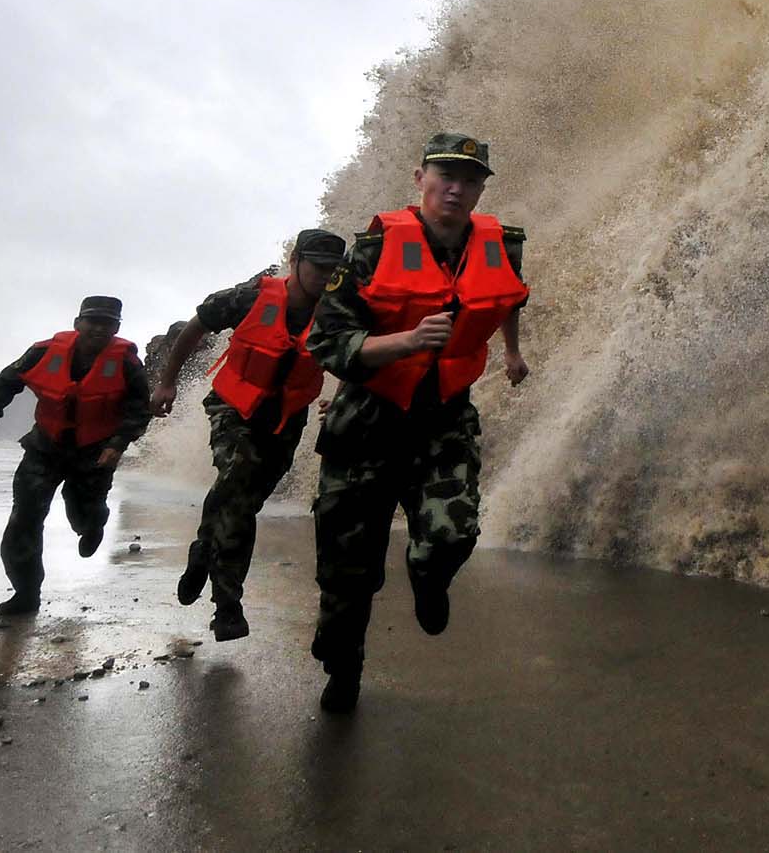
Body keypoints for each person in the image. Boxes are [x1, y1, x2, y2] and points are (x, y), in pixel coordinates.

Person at [306, 132, 529, 714]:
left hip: (444, 417)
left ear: (481, 188)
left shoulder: (502, 244)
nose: (456, 188)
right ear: (420, 178)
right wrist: (404, 341)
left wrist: (512, 351)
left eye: (470, 179)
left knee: (453, 534)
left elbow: (504, 303)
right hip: (367, 420)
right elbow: (326, 341)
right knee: (347, 574)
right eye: (444, 175)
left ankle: (429, 577)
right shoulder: (374, 250)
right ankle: (344, 666)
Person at [150, 230, 349, 641]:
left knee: (245, 497)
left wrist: (340, 398)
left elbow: (353, 354)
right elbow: (196, 326)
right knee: (239, 480)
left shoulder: (337, 310)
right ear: (295, 260)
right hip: (231, 406)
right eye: (317, 267)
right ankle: (228, 606)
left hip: (284, 420)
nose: (325, 276)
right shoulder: (250, 296)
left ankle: (204, 548)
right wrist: (167, 382)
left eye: (333, 270)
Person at [0, 296, 150, 617]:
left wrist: (118, 444)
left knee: (81, 511)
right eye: (93, 321)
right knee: (24, 518)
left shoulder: (127, 362)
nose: (99, 329)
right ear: (77, 323)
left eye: (108, 324)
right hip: (45, 447)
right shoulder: (43, 351)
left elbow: (139, 408)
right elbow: (6, 382)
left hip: (96, 452)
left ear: (116, 329)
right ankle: (26, 592)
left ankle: (93, 524)